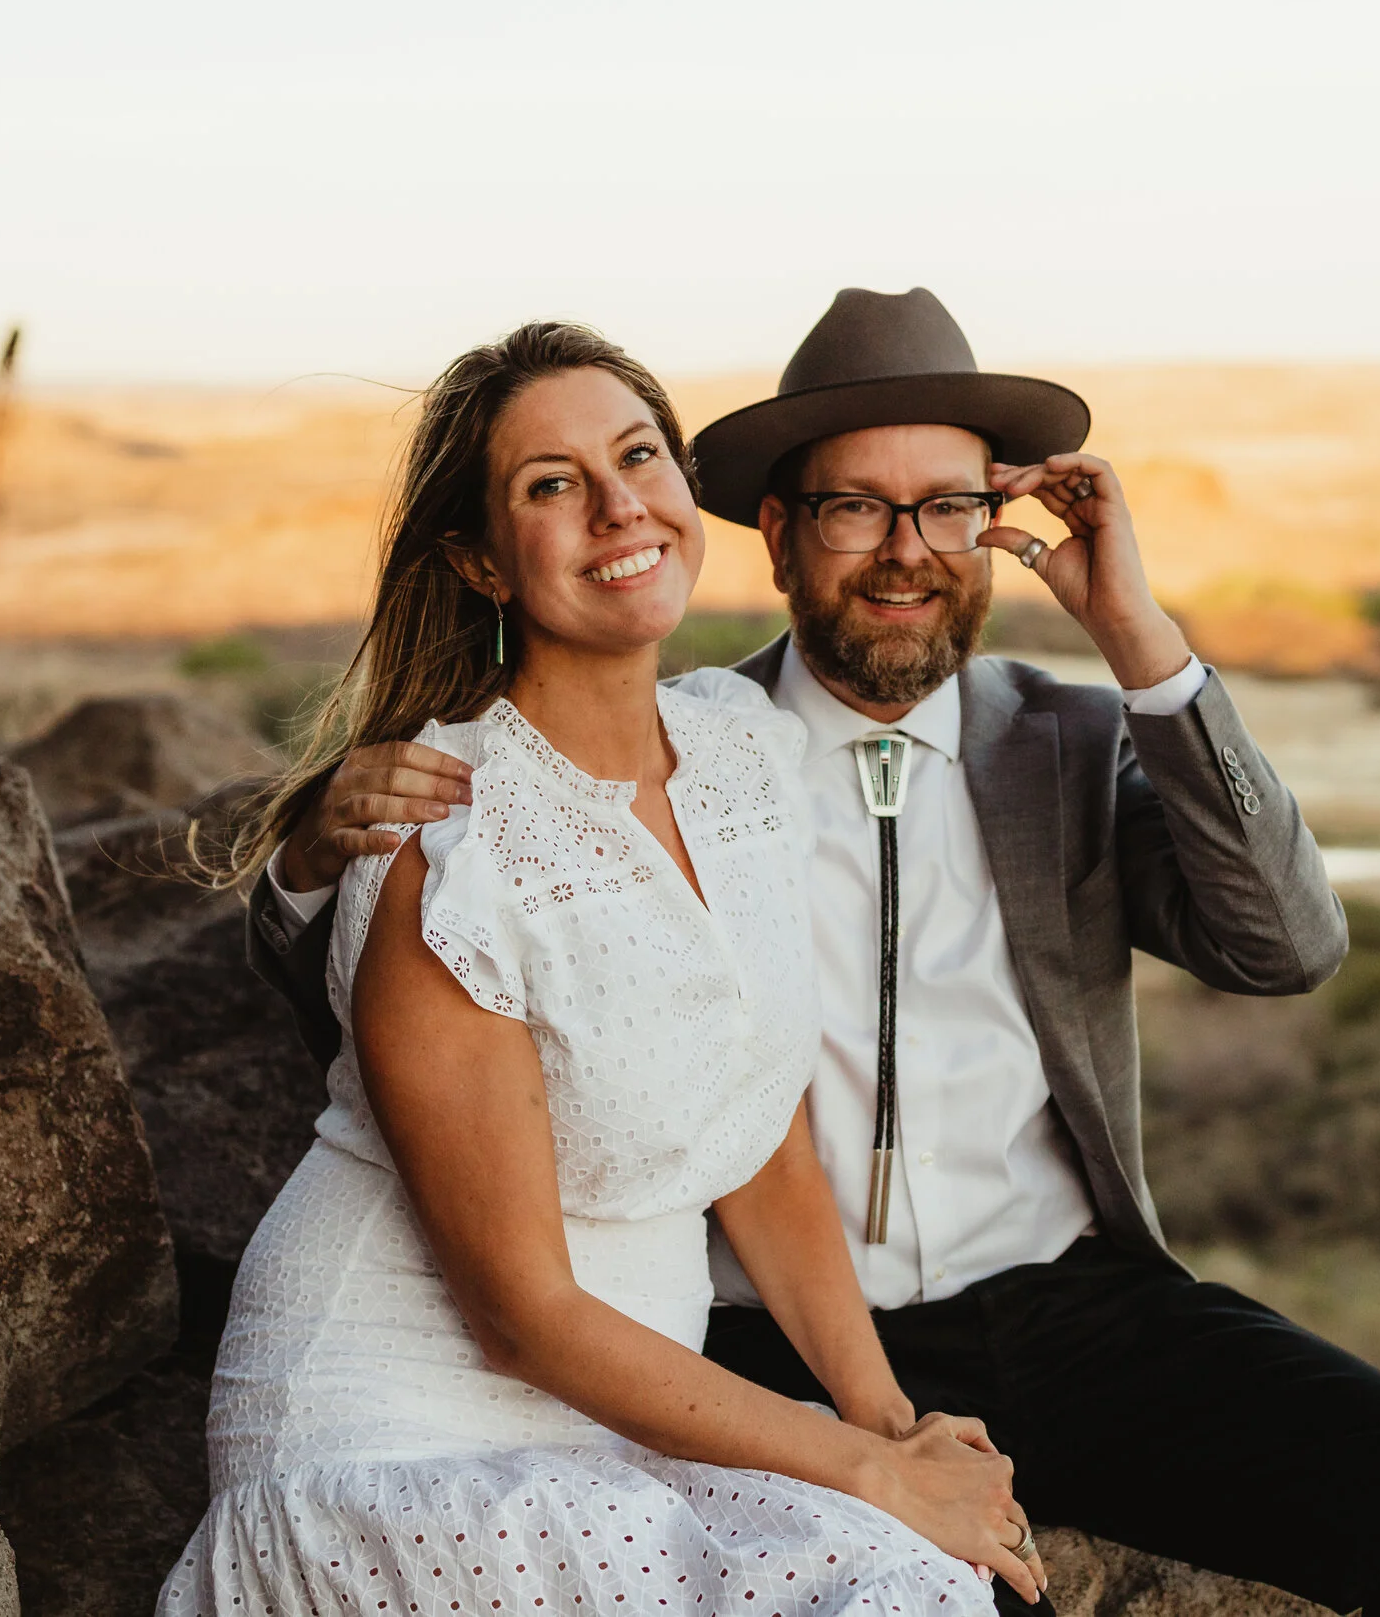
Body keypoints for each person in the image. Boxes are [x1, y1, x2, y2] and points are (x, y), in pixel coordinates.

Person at [252, 289, 1380, 1617]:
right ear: (775, 532)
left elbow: (1285, 943)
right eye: (855, 508)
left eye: (944, 507)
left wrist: (1139, 640)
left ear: (993, 531)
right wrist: (311, 856)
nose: (904, 550)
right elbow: (422, 974)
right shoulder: (690, 735)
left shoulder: (1066, 739)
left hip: (1076, 1304)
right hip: (769, 1334)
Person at [161, 321, 1042, 1617]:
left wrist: (896, 1429)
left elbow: (762, 1135)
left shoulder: (741, 750)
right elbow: (520, 1313)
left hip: (620, 1431)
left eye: (640, 457)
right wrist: (866, 1471)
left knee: (928, 1580)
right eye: (552, 483)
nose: (619, 504)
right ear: (480, 557)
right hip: (392, 1443)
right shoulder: (450, 841)